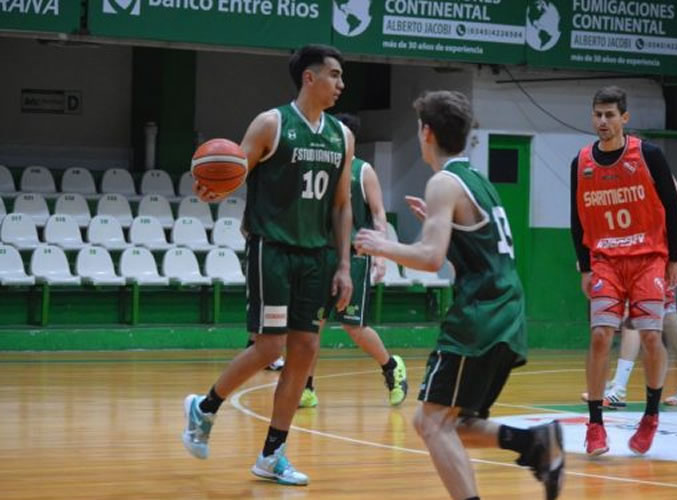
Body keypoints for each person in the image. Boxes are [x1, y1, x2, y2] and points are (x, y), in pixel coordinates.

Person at [355, 90, 564, 500]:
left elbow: (430, 259)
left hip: (479, 317)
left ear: (425, 131)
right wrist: (443, 228)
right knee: (455, 423)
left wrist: (381, 245)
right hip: (505, 311)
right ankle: (536, 442)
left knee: (431, 423)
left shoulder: (443, 183)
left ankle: (529, 451)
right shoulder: (478, 181)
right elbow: (474, 250)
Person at [181, 44, 354, 486]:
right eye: (334, 75)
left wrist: (344, 265)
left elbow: (341, 205)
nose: (341, 84)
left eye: (341, 76)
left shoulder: (341, 136)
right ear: (309, 78)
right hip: (272, 249)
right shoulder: (271, 124)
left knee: (305, 352)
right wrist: (216, 190)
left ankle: (272, 454)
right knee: (269, 348)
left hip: (317, 256)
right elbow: (233, 170)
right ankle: (205, 408)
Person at [571, 85, 677, 457]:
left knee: (652, 337)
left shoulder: (648, 155)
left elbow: (672, 207)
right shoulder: (582, 161)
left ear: (624, 118)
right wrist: (585, 265)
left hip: (649, 257)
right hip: (605, 259)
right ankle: (595, 424)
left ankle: (650, 415)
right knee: (601, 334)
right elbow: (576, 218)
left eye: (609, 115)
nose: (602, 122)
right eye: (597, 114)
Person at [298, 113, 408, 409]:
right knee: (312, 327)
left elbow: (379, 214)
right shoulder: (322, 166)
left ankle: (391, 367)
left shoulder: (364, 170)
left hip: (355, 256)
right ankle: (306, 388)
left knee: (353, 327)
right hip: (322, 254)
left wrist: (381, 254)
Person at [581, 178, 677, 407]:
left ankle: (619, 389)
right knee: (669, 320)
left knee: (635, 316)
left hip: (657, 255)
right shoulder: (616, 178)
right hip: (641, 253)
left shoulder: (653, 171)